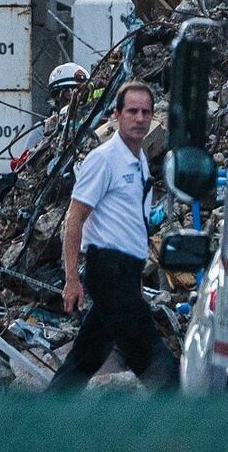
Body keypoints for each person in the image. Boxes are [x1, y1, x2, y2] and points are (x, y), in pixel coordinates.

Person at [47, 80, 179, 392]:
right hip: (107, 268)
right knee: (151, 354)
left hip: (125, 271)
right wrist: (71, 279)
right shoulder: (104, 159)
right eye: (132, 111)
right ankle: (182, 427)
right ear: (116, 115)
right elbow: (75, 217)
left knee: (86, 357)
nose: (140, 118)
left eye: (146, 112)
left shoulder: (140, 160)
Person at [20, 62, 90, 155]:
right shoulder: (41, 129)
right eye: (68, 93)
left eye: (82, 92)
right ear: (57, 97)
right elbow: (24, 165)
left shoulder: (93, 121)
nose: (77, 96)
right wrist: (47, 138)